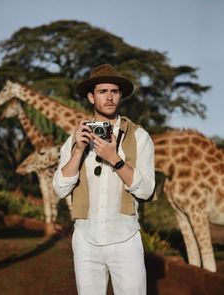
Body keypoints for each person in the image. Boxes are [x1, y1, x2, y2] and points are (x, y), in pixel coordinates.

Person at [53, 64, 155, 295]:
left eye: (114, 91)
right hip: (86, 239)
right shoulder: (75, 139)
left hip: (125, 239)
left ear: (120, 96)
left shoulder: (139, 137)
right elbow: (60, 188)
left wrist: (115, 159)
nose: (109, 97)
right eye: (102, 91)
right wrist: (78, 151)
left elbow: (147, 191)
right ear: (91, 97)